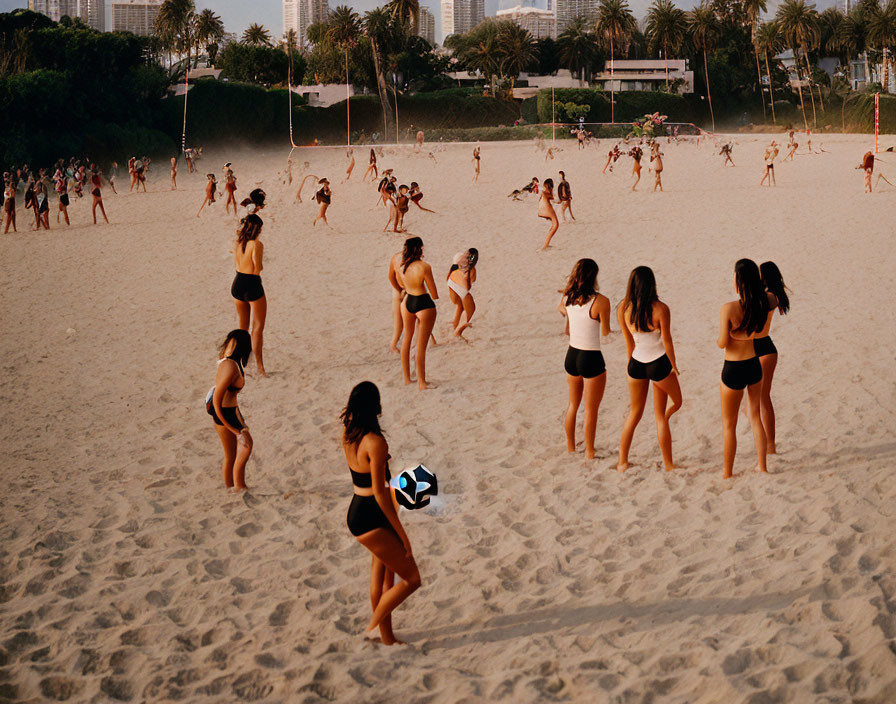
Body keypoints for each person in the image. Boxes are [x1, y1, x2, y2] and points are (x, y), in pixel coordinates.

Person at [340, 381, 421, 645]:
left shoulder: (348, 432)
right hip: (371, 515)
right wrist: (402, 534)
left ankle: (387, 637)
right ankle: (374, 626)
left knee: (384, 573)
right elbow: (380, 492)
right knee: (412, 579)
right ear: (375, 407)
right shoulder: (375, 442)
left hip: (357, 508)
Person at [616, 267, 683, 473]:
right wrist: (674, 366)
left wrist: (631, 365)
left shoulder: (623, 309)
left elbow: (629, 343)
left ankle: (622, 462)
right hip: (658, 363)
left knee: (634, 413)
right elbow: (668, 341)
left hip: (636, 363)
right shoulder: (661, 309)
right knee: (669, 409)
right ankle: (669, 464)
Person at [718, 258, 772, 478]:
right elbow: (759, 332)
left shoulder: (729, 308)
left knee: (729, 425)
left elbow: (723, 342)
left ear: (738, 280)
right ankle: (762, 465)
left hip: (733, 367)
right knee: (755, 416)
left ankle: (728, 472)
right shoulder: (763, 303)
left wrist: (726, 337)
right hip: (753, 364)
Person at [557, 259, 610, 459]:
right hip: (591, 356)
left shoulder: (568, 296)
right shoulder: (601, 301)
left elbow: (561, 310)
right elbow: (605, 332)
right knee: (591, 410)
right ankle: (589, 450)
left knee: (573, 405)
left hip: (572, 355)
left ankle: (571, 446)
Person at [208, 329, 253, 492]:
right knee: (243, 447)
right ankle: (237, 486)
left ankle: (233, 486)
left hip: (230, 411)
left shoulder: (231, 363)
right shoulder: (230, 366)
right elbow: (216, 399)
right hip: (224, 413)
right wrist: (234, 430)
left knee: (233, 454)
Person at [754, 261, 790, 455]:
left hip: (762, 348)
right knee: (758, 399)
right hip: (762, 347)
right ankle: (767, 443)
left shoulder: (768, 297)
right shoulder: (770, 295)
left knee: (763, 398)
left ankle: (770, 445)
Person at [231, 213, 268, 377]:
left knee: (243, 328)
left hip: (237, 283)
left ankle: (239, 360)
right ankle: (260, 367)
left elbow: (238, 264)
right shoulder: (257, 244)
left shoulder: (238, 243)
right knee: (257, 328)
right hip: (252, 284)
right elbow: (257, 268)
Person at [399, 237, 438, 390]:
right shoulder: (425, 267)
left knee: (407, 340)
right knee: (421, 346)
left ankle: (407, 378)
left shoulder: (404, 266)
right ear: (421, 248)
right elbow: (433, 292)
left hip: (407, 302)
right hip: (423, 303)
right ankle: (422, 382)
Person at [447, 248, 478, 338]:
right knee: (470, 310)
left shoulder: (456, 267)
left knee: (459, 307)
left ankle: (455, 328)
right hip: (463, 291)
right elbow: (470, 284)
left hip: (451, 283)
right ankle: (458, 332)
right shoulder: (471, 269)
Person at [538, 178, 559, 251]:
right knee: (555, 225)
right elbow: (555, 199)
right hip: (546, 211)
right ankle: (545, 246)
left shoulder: (544, 193)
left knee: (553, 226)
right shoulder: (546, 193)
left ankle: (546, 244)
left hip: (544, 211)